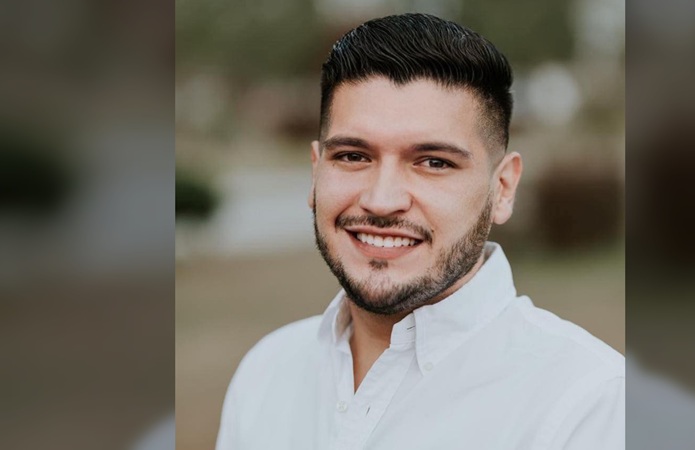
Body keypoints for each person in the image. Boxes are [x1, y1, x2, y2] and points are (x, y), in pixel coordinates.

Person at [216, 13, 623, 450]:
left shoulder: (589, 404)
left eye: (433, 162)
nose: (381, 200)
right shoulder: (265, 373)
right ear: (316, 173)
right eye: (353, 156)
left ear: (503, 188)